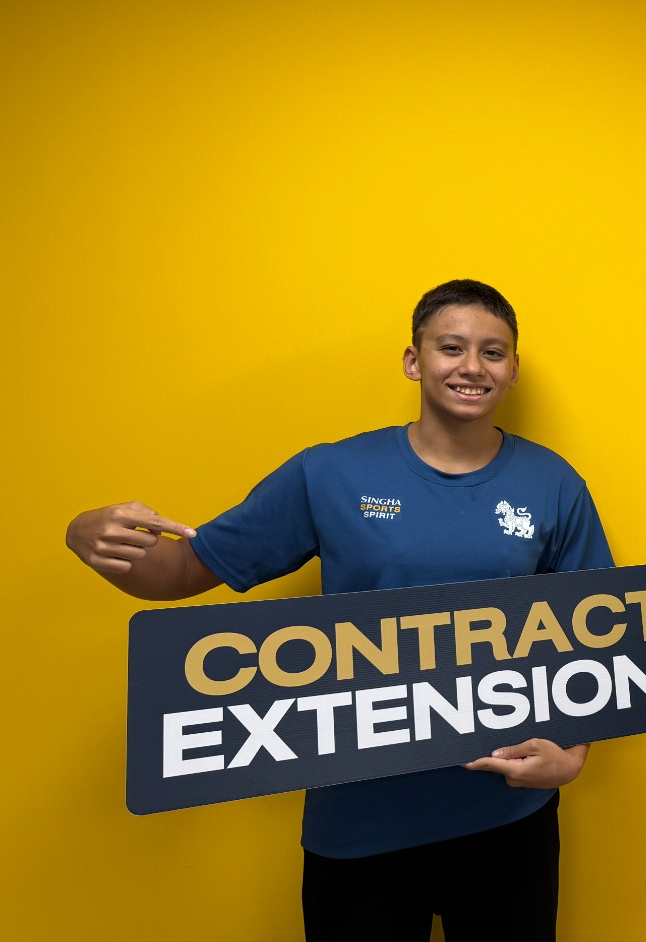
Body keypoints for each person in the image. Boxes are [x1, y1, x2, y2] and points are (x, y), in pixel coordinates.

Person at [65, 279, 613, 942]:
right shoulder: (329, 474)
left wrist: (574, 754)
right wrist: (92, 537)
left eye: (492, 352)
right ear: (414, 360)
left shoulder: (553, 484)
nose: (472, 366)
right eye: (451, 347)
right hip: (358, 822)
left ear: (513, 370)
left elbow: (599, 633)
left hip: (506, 818)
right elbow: (185, 570)